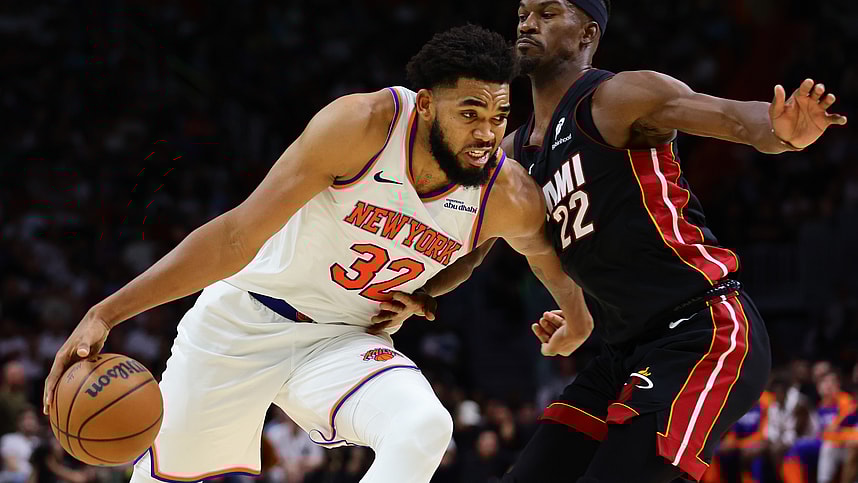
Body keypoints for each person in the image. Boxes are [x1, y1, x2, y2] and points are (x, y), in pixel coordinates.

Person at [42, 25, 592, 483]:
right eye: (470, 114)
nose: (487, 133)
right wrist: (106, 313)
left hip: (343, 340)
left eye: (499, 116)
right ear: (425, 105)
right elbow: (235, 238)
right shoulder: (362, 127)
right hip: (245, 319)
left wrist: (576, 318)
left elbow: (541, 260)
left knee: (423, 426)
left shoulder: (506, 194)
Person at [379, 1, 848, 481]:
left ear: (587, 34)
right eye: (523, 12)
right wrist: (418, 292)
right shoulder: (513, 154)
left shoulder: (617, 98)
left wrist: (782, 132)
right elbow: (467, 250)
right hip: (622, 350)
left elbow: (733, 118)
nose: (527, 22)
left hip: (703, 330)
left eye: (547, 12)